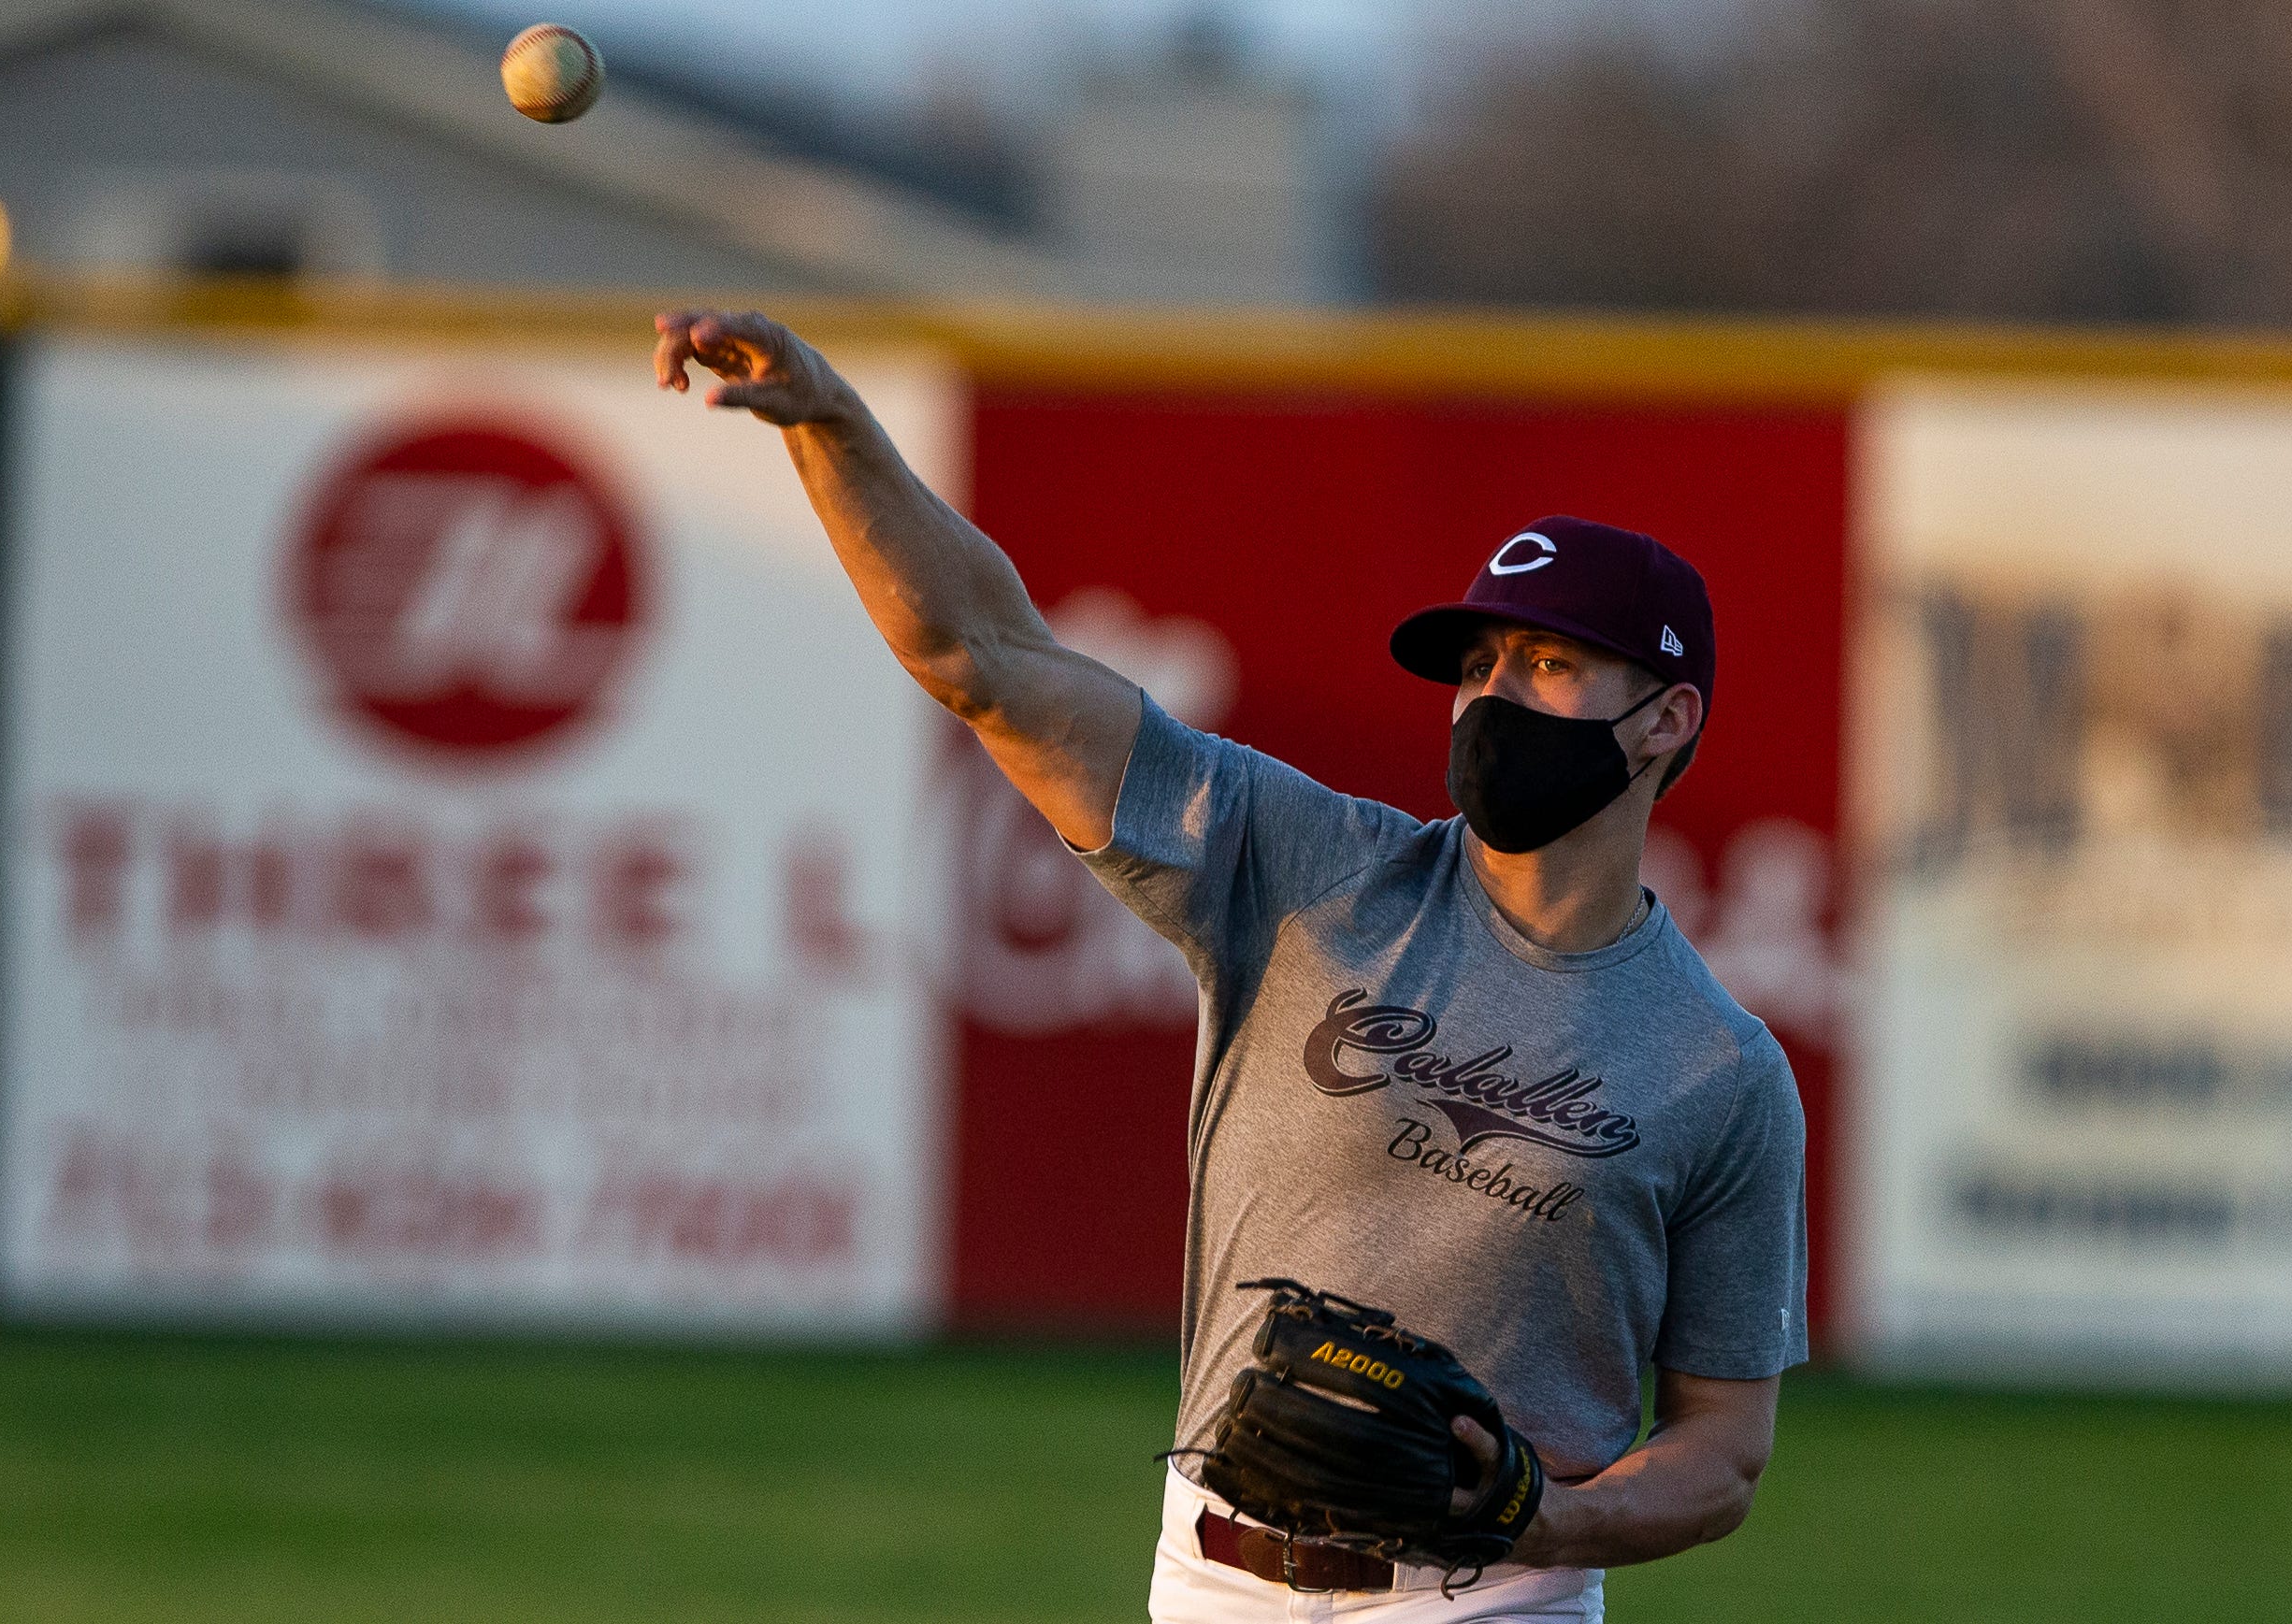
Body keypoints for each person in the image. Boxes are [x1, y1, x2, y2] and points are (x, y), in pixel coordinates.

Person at [656, 309, 1809, 1624]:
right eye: (1475, 664)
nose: (1489, 696)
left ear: (1665, 719)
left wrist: (1544, 1509)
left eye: (1546, 663)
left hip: (1487, 1603)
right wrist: (830, 426)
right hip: (1213, 1579)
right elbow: (985, 660)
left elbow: (1722, 1452)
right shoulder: (1307, 869)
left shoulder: (1718, 1071)